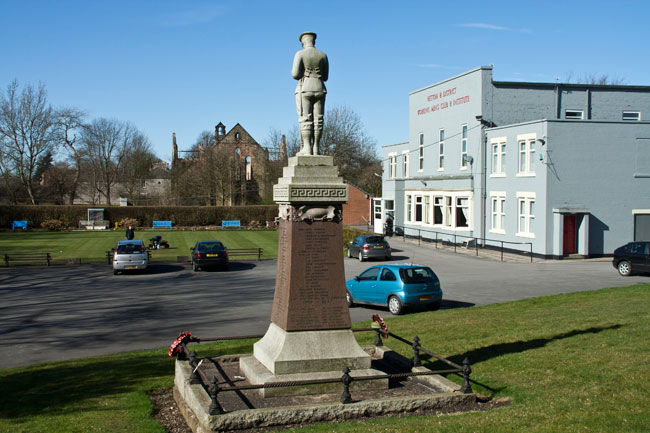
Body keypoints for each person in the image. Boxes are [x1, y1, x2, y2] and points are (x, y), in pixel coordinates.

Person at [291, 32, 329, 156]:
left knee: (305, 118)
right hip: (319, 87)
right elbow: (326, 76)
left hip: (305, 87)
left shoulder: (300, 54)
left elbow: (295, 74)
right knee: (319, 119)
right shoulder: (323, 55)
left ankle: (307, 148)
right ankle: (316, 147)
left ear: (303, 42)